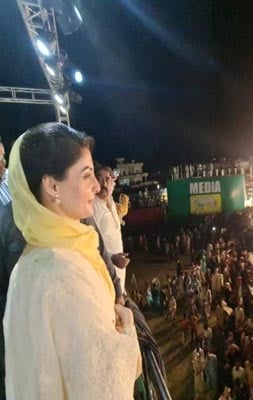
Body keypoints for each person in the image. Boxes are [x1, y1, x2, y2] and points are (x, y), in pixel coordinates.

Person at [3, 123, 141, 399]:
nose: (96, 185)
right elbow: (104, 384)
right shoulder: (63, 273)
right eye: (86, 175)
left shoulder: (38, 259)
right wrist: (126, 326)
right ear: (53, 185)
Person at [93, 163, 130, 296]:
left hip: (120, 278)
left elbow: (109, 188)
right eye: (99, 179)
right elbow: (92, 246)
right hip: (107, 279)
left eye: (107, 179)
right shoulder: (92, 208)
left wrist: (112, 182)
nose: (104, 183)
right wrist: (112, 258)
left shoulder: (110, 202)